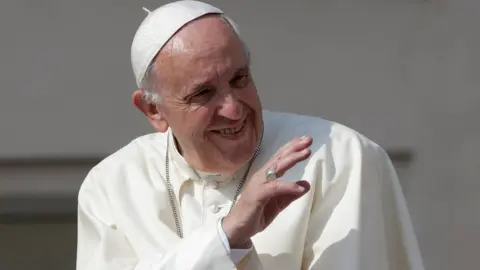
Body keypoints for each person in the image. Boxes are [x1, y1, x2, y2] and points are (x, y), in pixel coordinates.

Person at [76, 1, 424, 269]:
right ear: (153, 110)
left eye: (240, 79)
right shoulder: (110, 186)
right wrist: (227, 237)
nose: (233, 109)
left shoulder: (339, 159)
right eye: (203, 94)